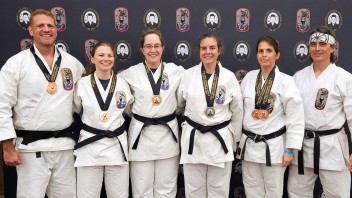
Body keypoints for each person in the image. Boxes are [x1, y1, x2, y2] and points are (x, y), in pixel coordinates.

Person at [0, 9, 84, 197]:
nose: (46, 29)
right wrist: (7, 146)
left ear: (56, 30)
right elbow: (2, 105)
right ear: (30, 30)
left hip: (64, 146)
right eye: (40, 26)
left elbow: (83, 103)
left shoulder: (72, 64)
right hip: (31, 148)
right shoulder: (16, 63)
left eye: (50, 26)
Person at [119, 28, 184, 198]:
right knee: (141, 190)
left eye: (156, 46)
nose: (153, 50)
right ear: (142, 50)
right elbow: (124, 105)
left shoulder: (177, 71)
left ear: (163, 48)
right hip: (141, 137)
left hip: (167, 137)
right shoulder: (129, 74)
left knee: (167, 190)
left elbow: (185, 97)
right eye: (148, 46)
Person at [288, 26, 352, 198]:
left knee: (338, 194)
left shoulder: (344, 78)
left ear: (332, 48)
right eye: (313, 44)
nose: (317, 48)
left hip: (332, 146)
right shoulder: (298, 77)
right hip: (303, 144)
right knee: (297, 193)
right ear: (308, 48)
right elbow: (289, 115)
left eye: (323, 44)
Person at [237, 35, 305, 197]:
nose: (264, 55)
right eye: (260, 51)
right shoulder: (249, 78)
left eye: (269, 51)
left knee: (273, 191)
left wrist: (289, 150)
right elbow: (239, 112)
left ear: (277, 54)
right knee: (252, 189)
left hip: (274, 148)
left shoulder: (286, 81)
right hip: (249, 146)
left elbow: (295, 118)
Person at [177, 33, 243, 197]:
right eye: (204, 48)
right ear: (198, 51)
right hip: (194, 138)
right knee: (194, 191)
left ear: (219, 50)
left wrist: (235, 140)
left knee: (218, 191)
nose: (208, 52)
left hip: (220, 140)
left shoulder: (229, 77)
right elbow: (179, 104)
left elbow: (237, 111)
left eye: (212, 48)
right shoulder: (187, 75)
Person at [73, 41, 133, 198]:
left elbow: (128, 111)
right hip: (90, 146)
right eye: (100, 55)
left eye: (109, 55)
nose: (105, 58)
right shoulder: (82, 84)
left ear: (114, 58)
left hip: (116, 147)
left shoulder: (123, 84)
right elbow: (76, 110)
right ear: (92, 59)